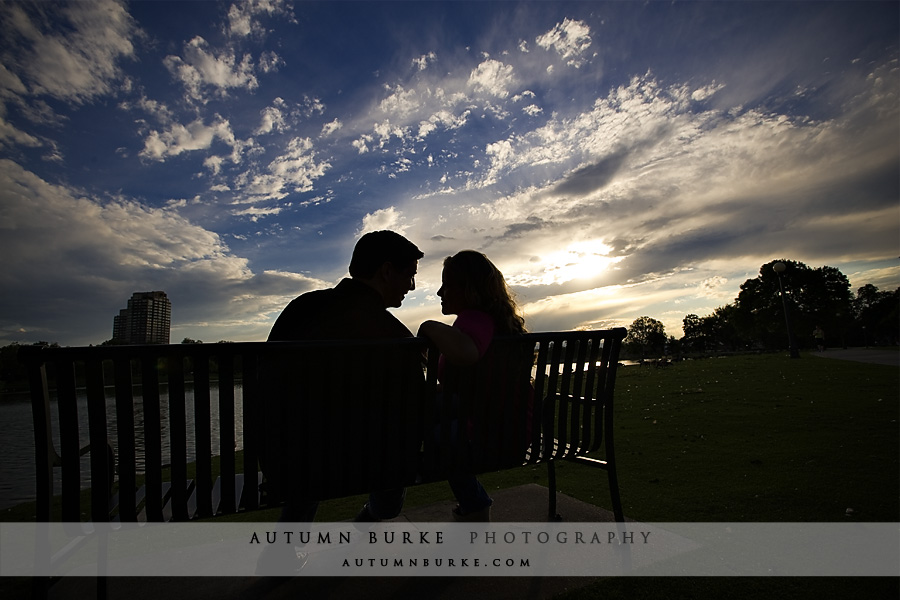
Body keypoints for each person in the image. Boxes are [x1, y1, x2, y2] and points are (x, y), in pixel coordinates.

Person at [257, 230, 423, 574]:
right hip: (369, 465)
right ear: (387, 271)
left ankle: (280, 554)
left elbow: (268, 384)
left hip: (288, 459)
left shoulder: (299, 310)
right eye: (410, 276)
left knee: (312, 443)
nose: (411, 286)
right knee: (394, 450)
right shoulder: (396, 337)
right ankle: (369, 521)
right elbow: (412, 413)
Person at [417, 250, 530, 521]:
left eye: (447, 285)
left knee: (429, 432)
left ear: (468, 289)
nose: (439, 292)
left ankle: (473, 501)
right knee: (429, 413)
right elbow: (480, 386)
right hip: (511, 430)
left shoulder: (474, 319)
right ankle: (473, 501)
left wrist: (429, 326)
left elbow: (468, 353)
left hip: (487, 436)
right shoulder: (498, 326)